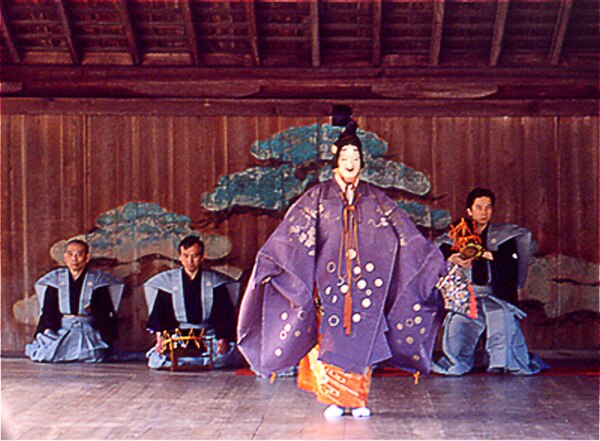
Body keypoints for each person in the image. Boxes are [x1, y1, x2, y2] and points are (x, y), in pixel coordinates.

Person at [237, 111, 446, 419]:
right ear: (335, 160)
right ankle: (333, 398)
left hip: (367, 287)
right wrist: (272, 260)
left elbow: (407, 236)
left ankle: (358, 399)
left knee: (364, 338)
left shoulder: (376, 198)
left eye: (355, 156)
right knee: (329, 341)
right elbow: (291, 236)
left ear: (362, 162)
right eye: (345, 155)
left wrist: (432, 262)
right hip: (328, 285)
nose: (350, 162)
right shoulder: (318, 197)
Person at [432, 188, 547, 376]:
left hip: (495, 295)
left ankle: (501, 365)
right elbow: (438, 253)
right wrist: (453, 258)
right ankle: (458, 363)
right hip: (467, 297)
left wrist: (486, 254)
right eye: (478, 207)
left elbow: (510, 263)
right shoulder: (458, 233)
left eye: (488, 207)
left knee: (501, 322)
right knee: (458, 329)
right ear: (469, 210)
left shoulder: (504, 235)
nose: (483, 212)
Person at [144, 235, 240, 369]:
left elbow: (224, 314)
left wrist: (222, 339)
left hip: (206, 335)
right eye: (186, 256)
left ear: (202, 257)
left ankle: (194, 360)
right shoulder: (169, 282)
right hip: (178, 335)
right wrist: (160, 340)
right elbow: (159, 314)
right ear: (180, 257)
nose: (190, 261)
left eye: (194, 256)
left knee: (224, 356)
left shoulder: (214, 281)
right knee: (156, 360)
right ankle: (189, 360)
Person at [25, 239, 123, 362]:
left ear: (87, 258)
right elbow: (49, 309)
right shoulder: (55, 279)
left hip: (87, 329)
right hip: (62, 329)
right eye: (70, 254)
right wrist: (47, 330)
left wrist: (93, 310)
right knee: (48, 354)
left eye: (79, 254)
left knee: (93, 355)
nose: (74, 259)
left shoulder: (97, 280)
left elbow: (104, 311)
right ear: (65, 257)